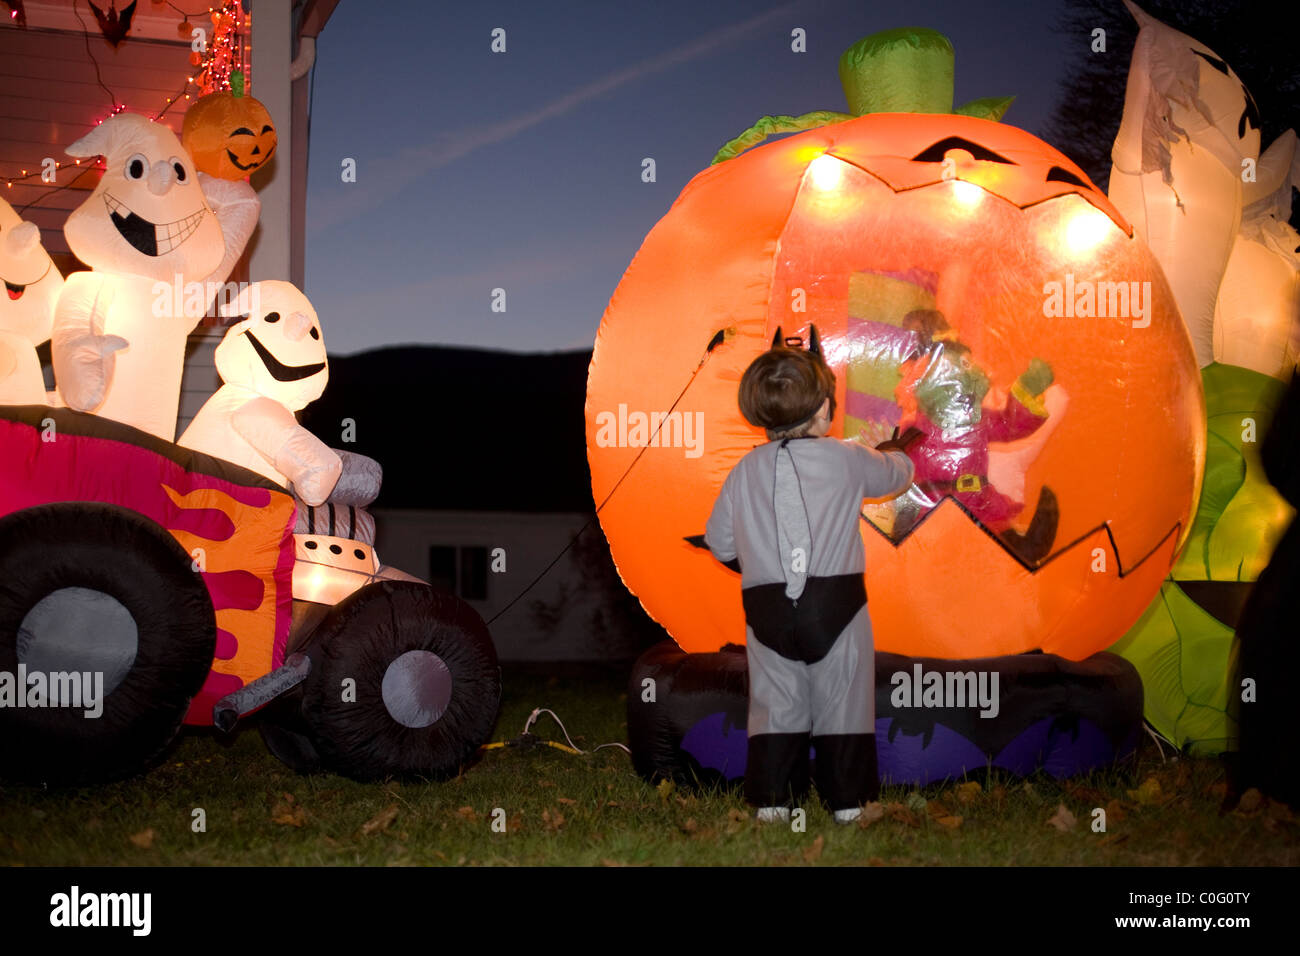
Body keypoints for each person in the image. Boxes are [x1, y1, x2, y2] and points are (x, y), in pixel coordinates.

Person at [701, 327, 917, 823]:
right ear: (824, 409)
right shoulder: (846, 457)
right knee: (843, 700)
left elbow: (719, 541)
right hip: (836, 604)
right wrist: (898, 452)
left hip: (766, 609)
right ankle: (848, 806)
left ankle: (774, 805)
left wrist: (756, 560)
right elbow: (894, 474)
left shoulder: (742, 471)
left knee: (775, 703)